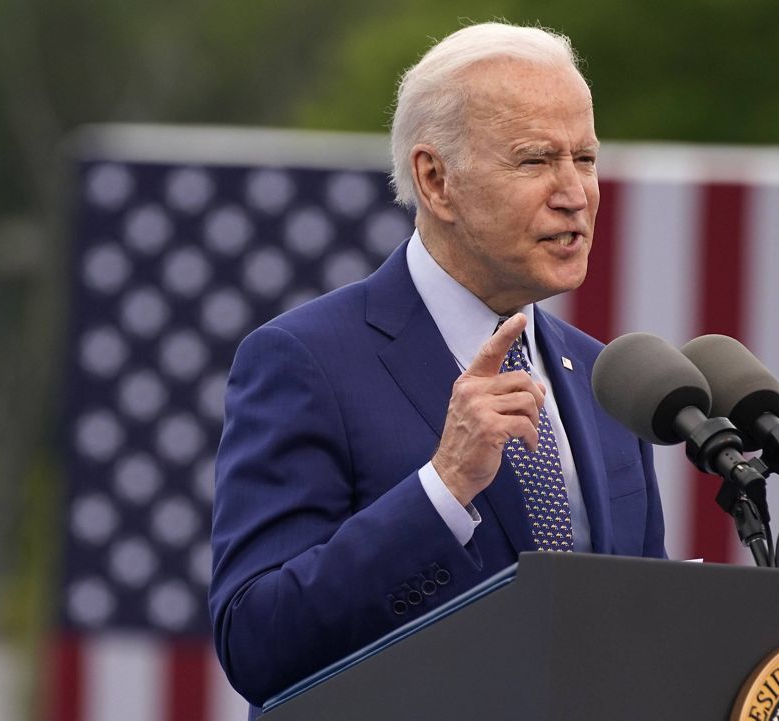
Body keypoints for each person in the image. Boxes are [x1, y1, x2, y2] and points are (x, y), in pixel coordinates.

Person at [208, 21, 667, 714]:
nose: (575, 192)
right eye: (536, 161)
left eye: (586, 158)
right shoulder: (306, 361)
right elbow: (256, 637)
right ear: (436, 179)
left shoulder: (609, 380)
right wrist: (442, 488)